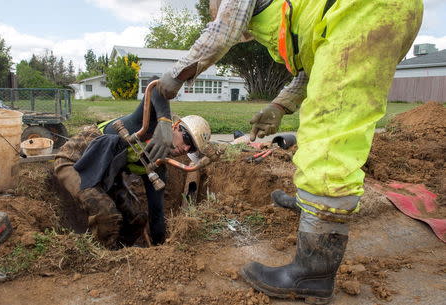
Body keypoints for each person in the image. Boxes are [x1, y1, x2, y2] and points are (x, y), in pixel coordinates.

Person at [150, 0, 423, 303]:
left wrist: (173, 77)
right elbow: (314, 65)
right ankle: (314, 206)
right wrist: (279, 106)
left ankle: (313, 272)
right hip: (373, 14)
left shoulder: (235, 6)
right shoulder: (297, 12)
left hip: (362, 11)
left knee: (331, 130)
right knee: (322, 121)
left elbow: (223, 30)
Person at [54, 87, 211, 249]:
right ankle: (100, 256)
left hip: (105, 177)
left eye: (191, 149)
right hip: (76, 162)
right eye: (186, 139)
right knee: (107, 214)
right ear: (176, 126)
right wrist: (163, 122)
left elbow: (156, 211)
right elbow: (156, 87)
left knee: (137, 219)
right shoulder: (147, 125)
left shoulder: (158, 166)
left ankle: (122, 250)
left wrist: (161, 248)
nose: (185, 149)